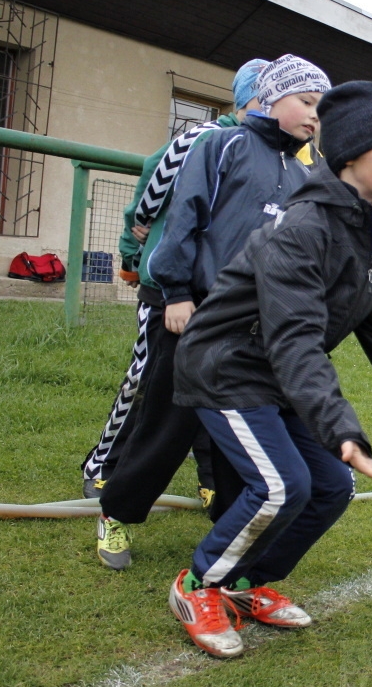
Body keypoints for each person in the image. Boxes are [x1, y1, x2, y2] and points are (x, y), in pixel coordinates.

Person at [165, 80, 372, 658]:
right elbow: (296, 339)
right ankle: (199, 585)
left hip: (277, 374)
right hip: (226, 368)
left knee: (330, 487)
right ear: (352, 153)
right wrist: (342, 430)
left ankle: (247, 586)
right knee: (280, 487)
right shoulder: (301, 230)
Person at [93, 54, 332, 571]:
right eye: (307, 102)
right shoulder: (222, 146)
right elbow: (184, 219)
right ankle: (116, 511)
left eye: (323, 108)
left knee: (238, 433)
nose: (316, 115)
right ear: (270, 97)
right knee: (167, 423)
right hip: (191, 315)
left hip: (250, 329)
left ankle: (233, 518)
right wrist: (177, 292)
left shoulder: (304, 171)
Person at [80, 58, 268, 505]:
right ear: (249, 100)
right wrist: (133, 251)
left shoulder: (270, 153)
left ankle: (210, 478)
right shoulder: (203, 137)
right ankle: (103, 465)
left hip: (220, 292)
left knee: (210, 385)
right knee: (147, 379)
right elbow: (149, 197)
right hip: (169, 287)